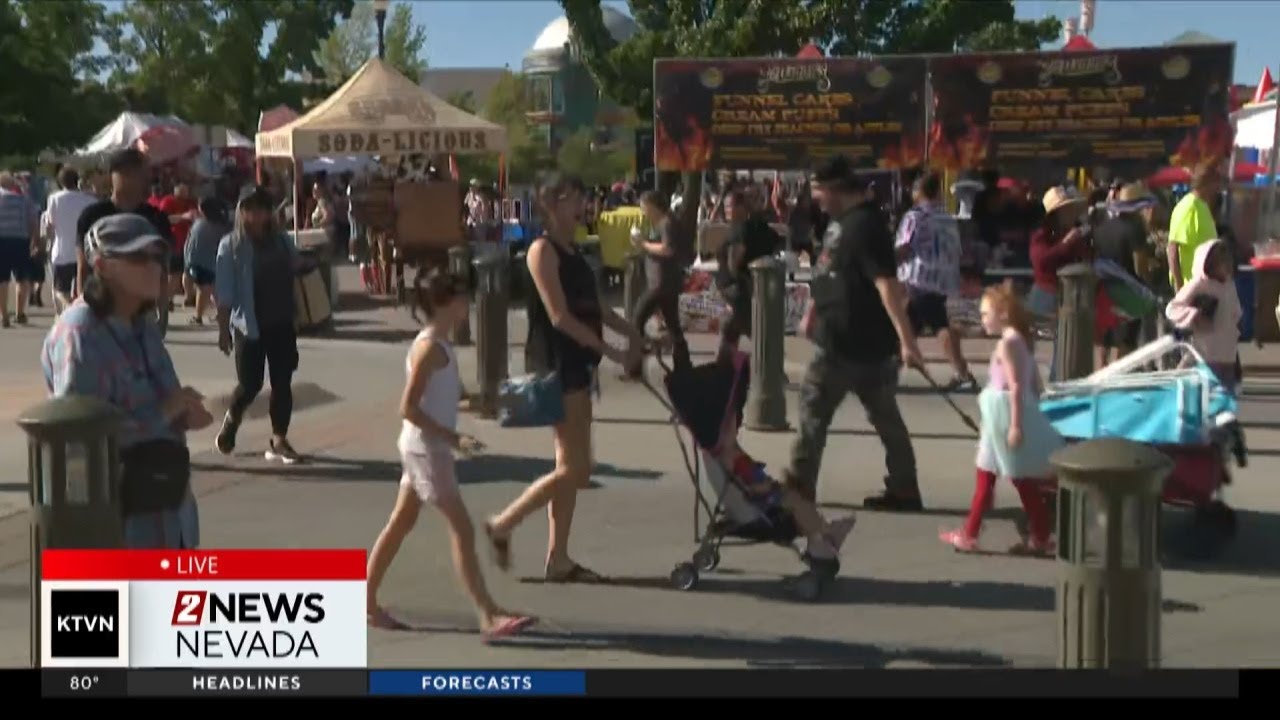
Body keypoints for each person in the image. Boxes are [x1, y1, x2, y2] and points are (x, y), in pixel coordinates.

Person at [483, 173, 644, 583]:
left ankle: (558, 558)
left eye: (584, 198)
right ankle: (503, 523)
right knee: (577, 468)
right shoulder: (542, 251)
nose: (583, 206)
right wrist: (612, 353)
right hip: (558, 363)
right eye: (575, 199)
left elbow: (598, 309)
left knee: (570, 465)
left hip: (579, 365)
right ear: (552, 204)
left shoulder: (576, 252)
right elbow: (559, 316)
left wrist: (635, 335)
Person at [365, 270, 536, 639]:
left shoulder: (439, 345)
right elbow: (407, 407)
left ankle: (367, 603)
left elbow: (443, 397)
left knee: (400, 524)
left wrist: (483, 402)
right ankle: (488, 615)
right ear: (444, 303)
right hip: (428, 449)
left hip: (423, 447)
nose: (467, 304)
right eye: (461, 297)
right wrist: (453, 438)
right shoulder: (430, 347)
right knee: (462, 528)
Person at [42, 214, 213, 547]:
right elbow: (79, 436)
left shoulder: (143, 325)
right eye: (138, 257)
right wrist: (164, 412)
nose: (154, 267)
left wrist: (185, 413)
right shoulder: (81, 333)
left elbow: (164, 399)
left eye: (158, 257)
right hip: (118, 529)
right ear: (103, 266)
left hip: (169, 516)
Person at [784, 156, 925, 510]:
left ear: (833, 189)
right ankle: (904, 486)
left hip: (849, 342)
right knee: (884, 416)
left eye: (817, 191)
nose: (815, 199)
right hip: (849, 336)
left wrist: (907, 342)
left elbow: (887, 285)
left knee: (813, 410)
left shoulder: (866, 226)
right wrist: (813, 312)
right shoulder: (843, 224)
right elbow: (834, 273)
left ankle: (800, 489)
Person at [939, 286, 1062, 555]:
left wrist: (1015, 425)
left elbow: (1016, 386)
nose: (982, 319)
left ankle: (975, 533)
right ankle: (1036, 535)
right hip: (1004, 417)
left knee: (1004, 477)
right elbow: (1035, 386)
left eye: (986, 314)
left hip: (1004, 418)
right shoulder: (1021, 342)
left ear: (1003, 314)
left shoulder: (1008, 344)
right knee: (1013, 478)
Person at [214, 185, 306, 464]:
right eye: (251, 208)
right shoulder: (231, 245)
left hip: (281, 321)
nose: (258, 214)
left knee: (282, 382)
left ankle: (279, 440)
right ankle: (232, 419)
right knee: (249, 385)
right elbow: (225, 292)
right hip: (248, 326)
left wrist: (309, 263)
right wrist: (223, 330)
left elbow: (296, 266)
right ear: (242, 212)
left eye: (263, 208)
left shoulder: (281, 241)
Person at [896, 172, 975, 391]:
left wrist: (884, 262)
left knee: (938, 325)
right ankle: (889, 368)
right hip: (943, 279)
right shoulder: (947, 217)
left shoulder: (915, 216)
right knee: (907, 323)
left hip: (920, 279)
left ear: (918, 192)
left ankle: (963, 374)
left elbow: (904, 248)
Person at [76, 149, 175, 305]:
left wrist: (161, 311)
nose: (150, 180)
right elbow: (82, 266)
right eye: (143, 174)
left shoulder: (157, 218)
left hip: (143, 308)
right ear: (123, 174)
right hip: (101, 305)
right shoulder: (92, 216)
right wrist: (82, 305)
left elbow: (163, 269)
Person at [1027, 186, 1091, 380]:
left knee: (1066, 339)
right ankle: (1050, 379)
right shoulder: (1042, 235)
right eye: (1067, 209)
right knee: (1056, 338)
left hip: (1069, 293)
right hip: (1047, 294)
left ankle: (1060, 378)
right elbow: (1042, 260)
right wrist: (1066, 245)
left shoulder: (1073, 231)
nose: (1071, 213)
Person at [1165, 239, 1242, 393]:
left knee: (1225, 397)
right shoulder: (1198, 285)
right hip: (1204, 353)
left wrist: (1235, 328)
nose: (1226, 265)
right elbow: (1172, 309)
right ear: (1209, 263)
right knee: (1203, 396)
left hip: (1227, 354)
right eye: (1222, 261)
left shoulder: (1229, 285)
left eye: (1228, 260)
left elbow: (1236, 312)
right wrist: (1193, 314)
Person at [714, 190, 782, 362]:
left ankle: (773, 369)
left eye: (730, 206)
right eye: (726, 207)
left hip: (737, 288)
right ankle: (723, 367)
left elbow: (735, 258)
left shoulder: (739, 228)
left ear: (742, 207)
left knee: (753, 331)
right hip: (751, 287)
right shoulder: (760, 226)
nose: (727, 210)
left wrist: (737, 278)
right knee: (732, 329)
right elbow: (775, 245)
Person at [1093, 182, 1157, 366]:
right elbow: (1140, 267)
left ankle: (1100, 374)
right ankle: (1116, 379)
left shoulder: (1103, 225)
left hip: (1103, 288)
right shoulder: (1134, 228)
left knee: (1104, 339)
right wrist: (1149, 275)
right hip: (1127, 290)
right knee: (1126, 339)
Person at [631, 190, 691, 372]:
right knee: (673, 325)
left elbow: (667, 249)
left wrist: (643, 244)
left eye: (644, 206)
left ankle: (634, 365)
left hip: (661, 283)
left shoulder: (667, 223)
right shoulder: (662, 223)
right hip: (664, 282)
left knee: (637, 319)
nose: (642, 210)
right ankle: (683, 365)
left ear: (653, 206)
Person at [43, 167, 98, 315]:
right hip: (85, 253)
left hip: (62, 251)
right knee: (84, 289)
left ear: (60, 182)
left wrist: (47, 243)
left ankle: (68, 309)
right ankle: (76, 312)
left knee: (60, 289)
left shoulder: (54, 199)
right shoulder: (90, 200)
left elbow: (50, 224)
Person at [1168, 166, 1222, 293]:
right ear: (1206, 183)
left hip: (1204, 286)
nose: (1217, 190)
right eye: (1216, 184)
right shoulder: (1188, 207)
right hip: (1190, 287)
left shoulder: (1203, 206)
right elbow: (1172, 249)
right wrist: (1179, 289)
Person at [0, 171, 39, 327]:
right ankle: (20, 313)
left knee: (2, 280)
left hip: (1, 241)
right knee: (22, 279)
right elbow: (33, 221)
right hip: (21, 241)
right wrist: (35, 240)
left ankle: (4, 315)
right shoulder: (24, 200)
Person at [184, 196, 228, 326]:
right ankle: (221, 314)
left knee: (203, 290)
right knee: (214, 290)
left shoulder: (204, 224)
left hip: (202, 262)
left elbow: (192, 243)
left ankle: (198, 316)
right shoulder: (218, 224)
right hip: (211, 262)